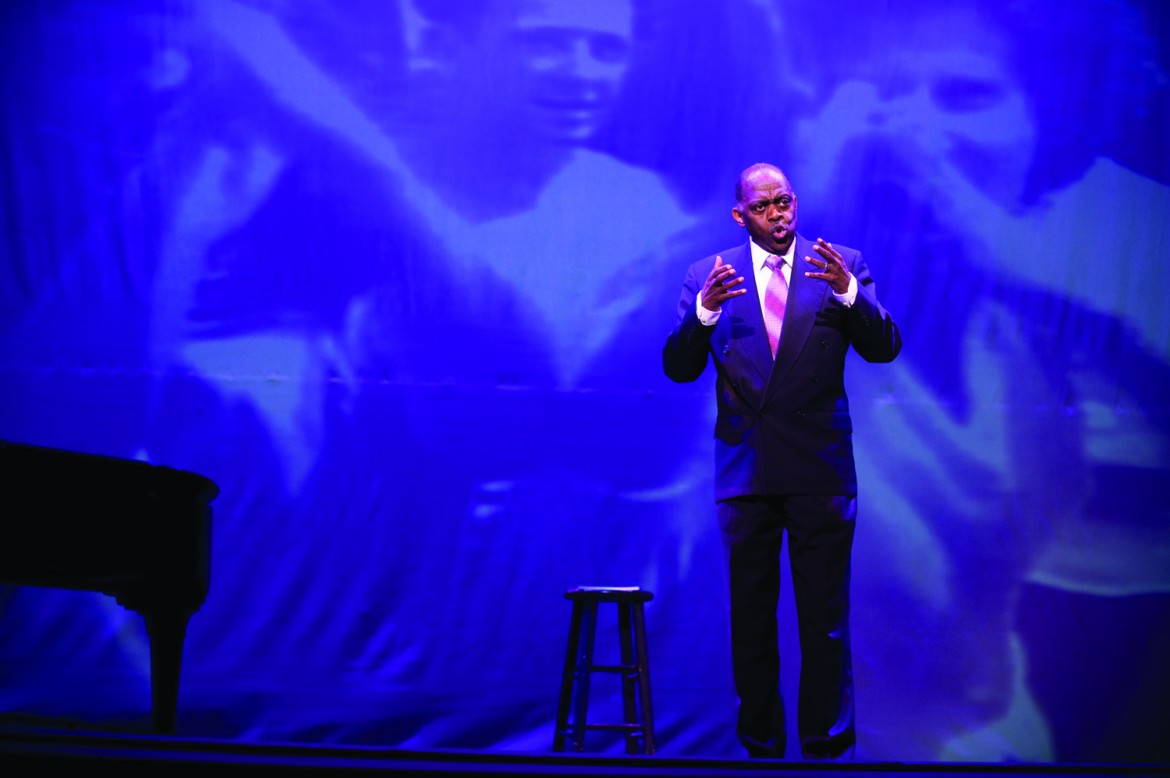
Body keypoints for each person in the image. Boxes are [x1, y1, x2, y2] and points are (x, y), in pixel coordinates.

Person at [662, 163, 901, 759]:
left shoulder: (837, 264)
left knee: (824, 620)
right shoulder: (708, 275)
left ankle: (826, 750)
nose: (779, 213)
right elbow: (679, 366)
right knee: (752, 620)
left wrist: (850, 294)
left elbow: (884, 347)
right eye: (764, 206)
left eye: (785, 201)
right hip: (746, 470)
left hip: (819, 467)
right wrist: (704, 316)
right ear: (740, 215)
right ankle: (761, 749)